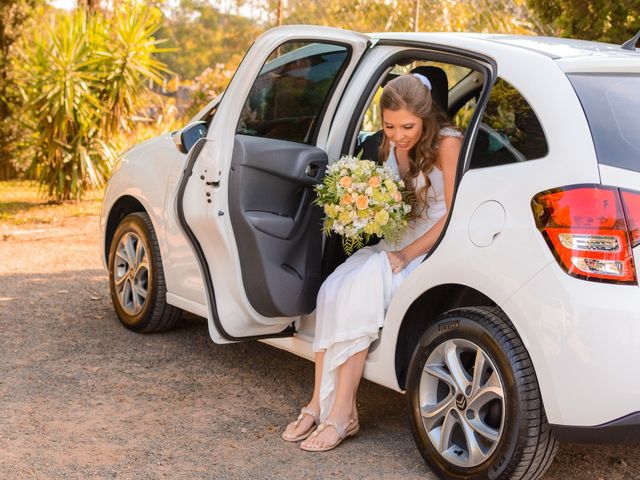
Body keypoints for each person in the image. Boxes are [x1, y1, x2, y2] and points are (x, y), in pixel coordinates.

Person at [281, 73, 463, 452]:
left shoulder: (448, 143)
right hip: (394, 242)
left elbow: (454, 214)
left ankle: (342, 412)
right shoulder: (387, 146)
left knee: (361, 289)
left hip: (432, 248)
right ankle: (317, 403)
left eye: (408, 126)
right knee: (332, 289)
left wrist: (406, 255)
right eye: (390, 126)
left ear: (426, 117)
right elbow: (393, 203)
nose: (398, 135)